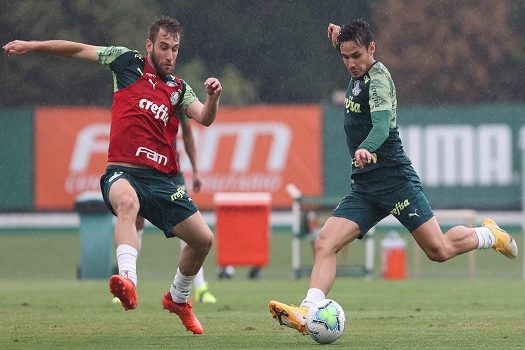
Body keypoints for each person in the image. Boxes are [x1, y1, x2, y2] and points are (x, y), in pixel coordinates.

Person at [268, 18, 518, 335]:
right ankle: (308, 311)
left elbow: (382, 126)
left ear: (372, 49)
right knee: (325, 243)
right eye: (345, 57)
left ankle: (489, 235)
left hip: (395, 181)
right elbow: (347, 46)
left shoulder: (380, 81)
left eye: (356, 56)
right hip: (366, 188)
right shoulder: (353, 59)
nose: (350, 63)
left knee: (438, 250)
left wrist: (367, 148)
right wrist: (338, 39)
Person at [4, 16, 222, 335]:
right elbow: (77, 50)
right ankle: (129, 281)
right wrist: (34, 46)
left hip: (162, 181)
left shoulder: (179, 89)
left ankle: (178, 298)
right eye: (163, 47)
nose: (169, 55)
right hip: (123, 171)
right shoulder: (126, 61)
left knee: (203, 240)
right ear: (149, 46)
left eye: (175, 49)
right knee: (127, 204)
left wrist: (214, 98)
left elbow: (204, 118)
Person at [134, 116, 217, 303]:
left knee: (189, 227)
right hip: (143, 171)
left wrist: (196, 170)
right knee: (135, 220)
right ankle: (129, 281)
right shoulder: (141, 96)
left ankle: (201, 288)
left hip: (171, 173)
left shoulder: (175, 94)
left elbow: (187, 132)